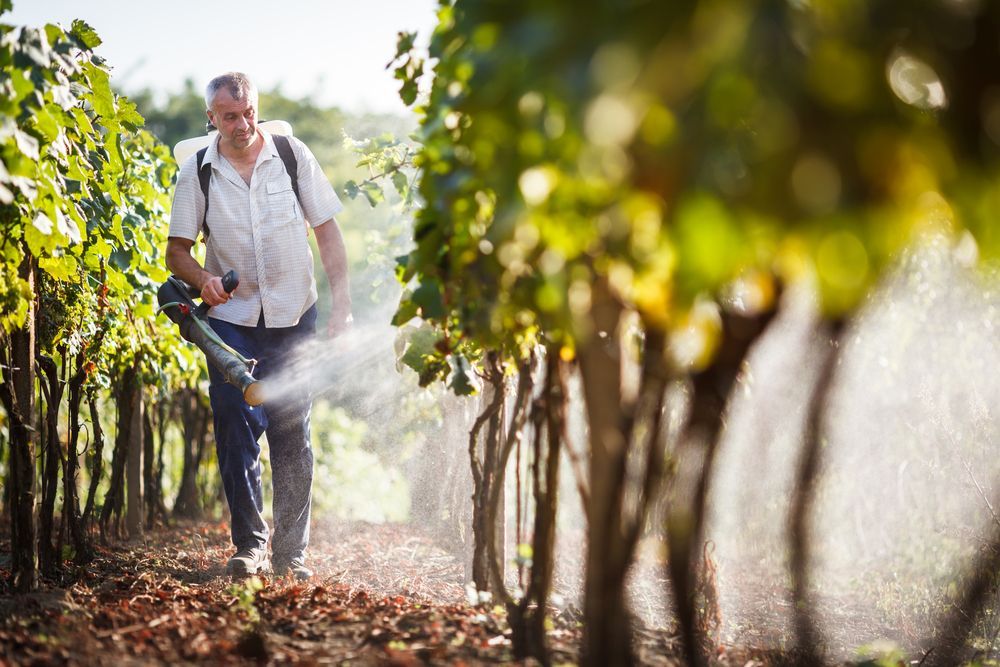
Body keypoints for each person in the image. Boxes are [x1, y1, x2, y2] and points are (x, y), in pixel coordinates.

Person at [166, 72, 352, 580]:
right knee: (234, 423)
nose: (244, 123)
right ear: (212, 118)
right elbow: (176, 251)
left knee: (293, 431)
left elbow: (328, 232)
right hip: (232, 321)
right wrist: (203, 279)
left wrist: (342, 306)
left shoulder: (292, 156)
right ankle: (249, 546)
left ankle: (291, 556)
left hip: (294, 315)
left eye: (249, 111)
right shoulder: (197, 173)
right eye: (231, 116)